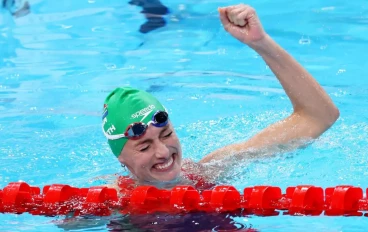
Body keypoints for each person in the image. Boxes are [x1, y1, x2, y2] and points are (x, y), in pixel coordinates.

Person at [101, 4, 340, 191]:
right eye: (144, 147)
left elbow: (318, 116)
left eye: (167, 135)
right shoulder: (111, 201)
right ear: (121, 158)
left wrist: (261, 43)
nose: (164, 152)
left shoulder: (207, 172)